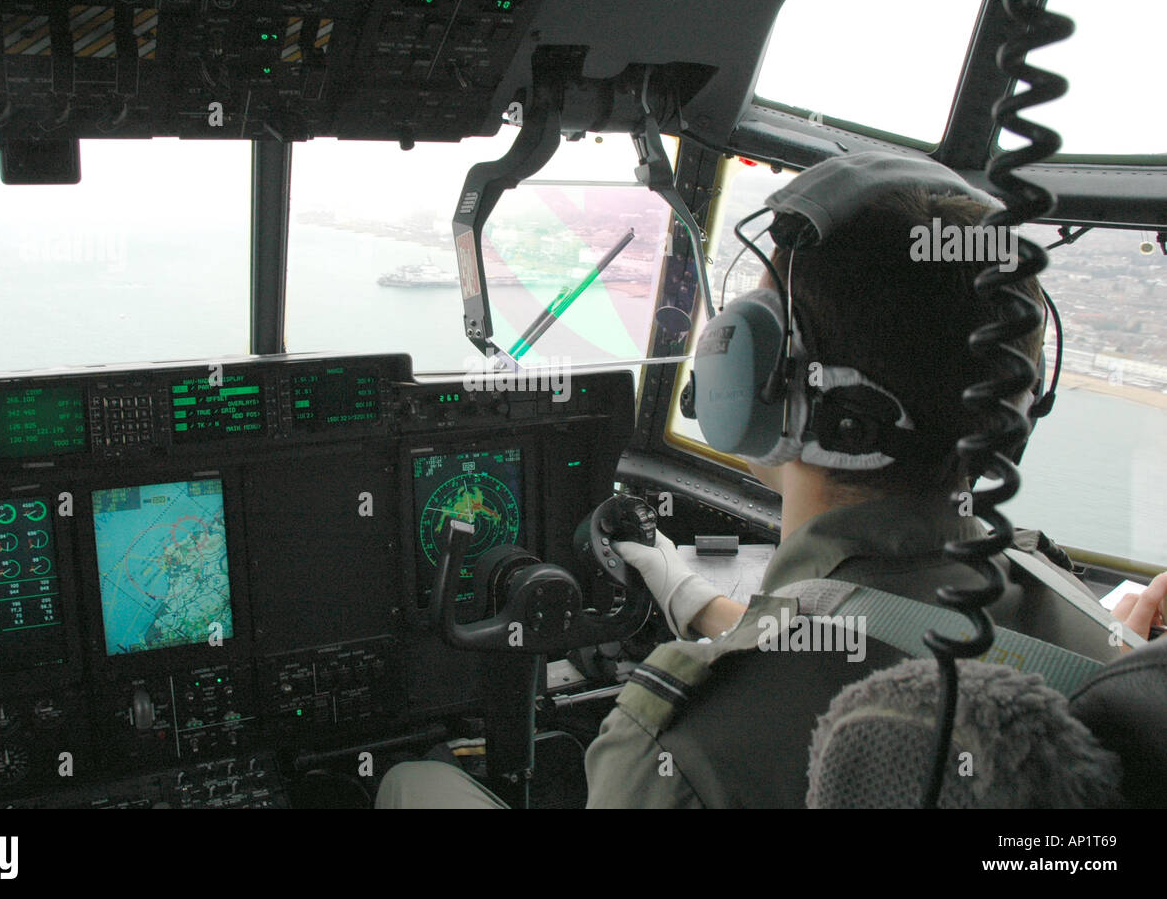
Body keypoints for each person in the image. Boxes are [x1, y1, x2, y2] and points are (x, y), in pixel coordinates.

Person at [377, 154, 1164, 809]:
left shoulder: (679, 750)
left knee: (417, 784)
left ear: (761, 382)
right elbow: (849, 625)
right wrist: (680, 589)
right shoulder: (1111, 660)